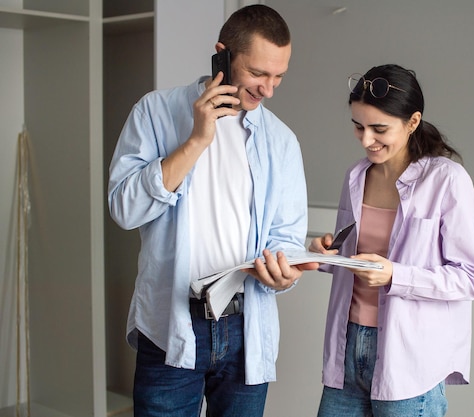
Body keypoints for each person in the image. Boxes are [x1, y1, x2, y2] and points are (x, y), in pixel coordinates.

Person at [108, 5, 317, 417]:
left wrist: (283, 272)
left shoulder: (282, 142)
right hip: (170, 326)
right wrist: (196, 141)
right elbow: (124, 209)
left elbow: (286, 238)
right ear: (222, 54)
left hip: (246, 328)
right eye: (258, 73)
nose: (269, 89)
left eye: (279, 77)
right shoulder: (155, 112)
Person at [308, 64, 474, 417]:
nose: (366, 140)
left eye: (379, 129)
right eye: (358, 127)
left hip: (410, 359)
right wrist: (326, 255)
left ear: (412, 121)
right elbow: (357, 259)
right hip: (347, 348)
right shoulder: (356, 176)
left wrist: (395, 275)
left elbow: (471, 277)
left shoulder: (447, 180)